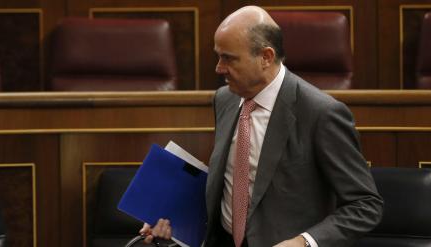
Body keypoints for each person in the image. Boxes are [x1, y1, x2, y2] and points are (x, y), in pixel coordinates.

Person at [140, 5, 383, 247]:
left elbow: (365, 204)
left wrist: (304, 242)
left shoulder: (322, 113)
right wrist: (175, 218)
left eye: (228, 58)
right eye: (218, 56)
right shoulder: (225, 98)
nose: (218, 68)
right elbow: (231, 182)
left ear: (265, 57)